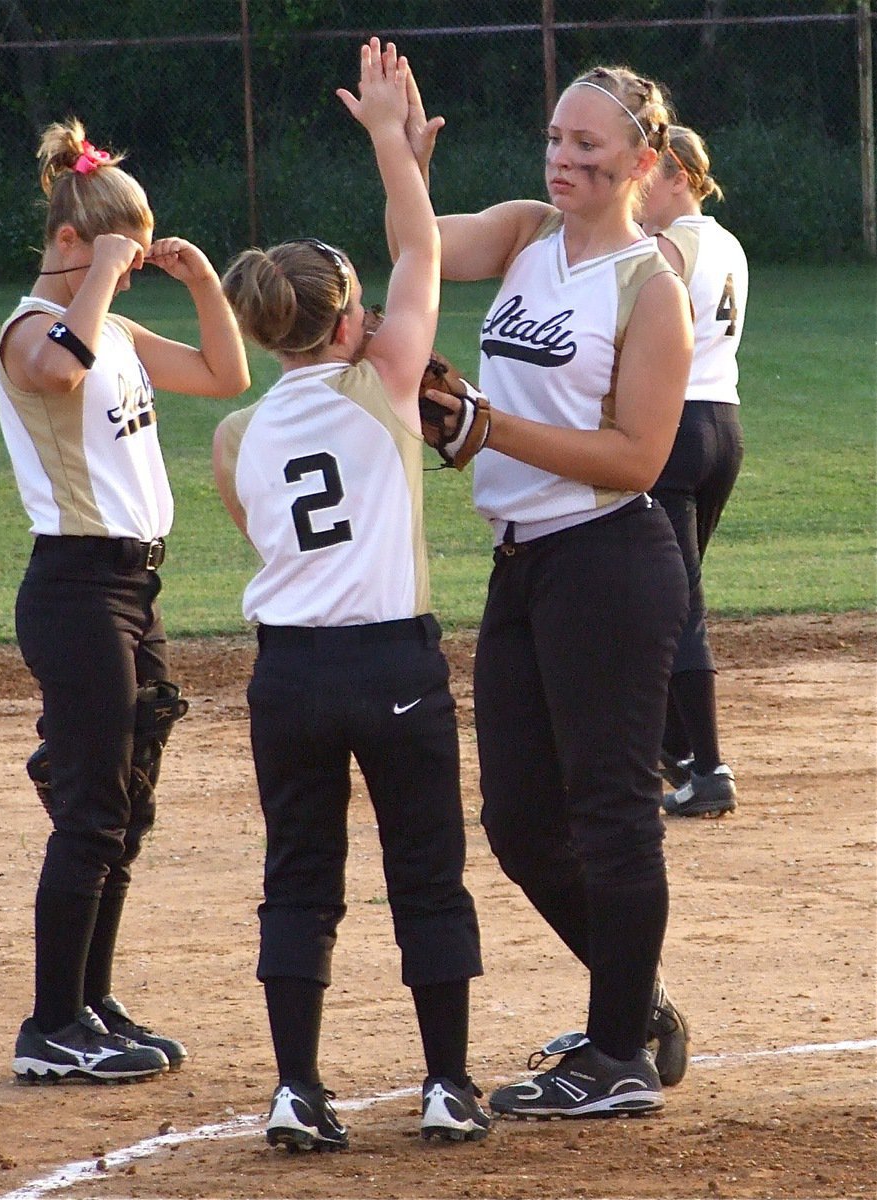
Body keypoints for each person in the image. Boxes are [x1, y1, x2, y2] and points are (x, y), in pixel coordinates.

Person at [392, 64, 695, 1117]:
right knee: (520, 821)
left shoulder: (647, 287)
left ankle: (615, 1055)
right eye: (555, 140)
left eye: (591, 151)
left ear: (642, 165)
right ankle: (635, 1008)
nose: (564, 161)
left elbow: (637, 458)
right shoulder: (529, 233)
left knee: (612, 816)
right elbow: (416, 248)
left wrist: (486, 428)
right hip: (522, 561)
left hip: (607, 563)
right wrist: (400, 152)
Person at [212, 39, 488, 1150]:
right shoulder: (380, 386)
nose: (375, 318)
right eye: (361, 310)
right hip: (391, 664)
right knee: (425, 874)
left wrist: (399, 155)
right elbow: (419, 247)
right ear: (341, 328)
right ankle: (445, 1087)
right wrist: (389, 142)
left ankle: (295, 1088)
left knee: (299, 878)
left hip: (288, 672)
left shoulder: (236, 433)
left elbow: (264, 533)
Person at [0, 118, 250, 1083]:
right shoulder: (31, 328)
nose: (130, 270)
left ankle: (90, 1003)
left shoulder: (120, 326)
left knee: (127, 806)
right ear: (69, 243)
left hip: (135, 587)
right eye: (118, 252)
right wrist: (98, 270)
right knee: (93, 811)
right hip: (74, 589)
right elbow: (58, 368)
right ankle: (48, 1028)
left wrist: (201, 286)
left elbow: (225, 375)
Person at [638, 125, 748, 818]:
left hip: (675, 430)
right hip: (723, 428)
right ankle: (675, 749)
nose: (635, 185)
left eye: (646, 172)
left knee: (676, 605)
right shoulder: (727, 241)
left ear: (676, 174)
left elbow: (647, 314)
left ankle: (705, 767)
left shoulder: (671, 242)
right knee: (671, 595)